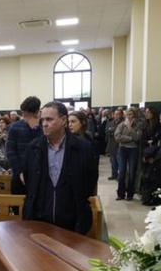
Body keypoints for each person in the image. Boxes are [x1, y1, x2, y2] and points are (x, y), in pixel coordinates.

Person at [21, 102, 95, 235]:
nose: (44, 124)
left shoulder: (83, 148)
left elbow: (90, 182)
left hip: (72, 222)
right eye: (42, 120)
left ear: (63, 120)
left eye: (49, 119)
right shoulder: (33, 148)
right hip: (39, 222)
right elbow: (29, 181)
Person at [6, 96, 42, 194]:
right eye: (24, 113)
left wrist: (36, 128)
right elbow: (10, 152)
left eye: (28, 114)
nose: (25, 116)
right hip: (20, 175)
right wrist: (19, 172)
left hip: (39, 175)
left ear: (37, 112)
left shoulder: (43, 127)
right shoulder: (15, 127)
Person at [141, 112, 161, 206]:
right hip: (155, 156)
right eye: (160, 119)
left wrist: (154, 157)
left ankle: (160, 200)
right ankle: (152, 198)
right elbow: (158, 142)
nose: (160, 121)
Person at [69, 110, 99, 195]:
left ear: (82, 122)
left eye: (73, 121)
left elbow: (94, 168)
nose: (70, 124)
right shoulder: (68, 141)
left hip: (87, 184)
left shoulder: (89, 139)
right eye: (68, 122)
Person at [114, 109, 142, 201]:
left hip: (133, 150)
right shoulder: (121, 124)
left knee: (131, 172)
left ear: (134, 115)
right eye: (127, 114)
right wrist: (130, 138)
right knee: (121, 172)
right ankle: (120, 194)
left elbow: (137, 138)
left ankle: (130, 194)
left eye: (131, 114)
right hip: (122, 149)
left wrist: (130, 128)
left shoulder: (138, 125)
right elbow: (117, 137)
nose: (129, 116)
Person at [105, 108, 123, 179]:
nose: (116, 116)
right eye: (115, 114)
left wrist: (112, 131)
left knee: (119, 162)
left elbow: (120, 133)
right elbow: (107, 131)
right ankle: (114, 174)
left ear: (121, 115)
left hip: (119, 145)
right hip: (111, 144)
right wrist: (113, 131)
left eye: (118, 114)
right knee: (112, 162)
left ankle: (119, 176)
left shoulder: (123, 123)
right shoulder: (111, 122)